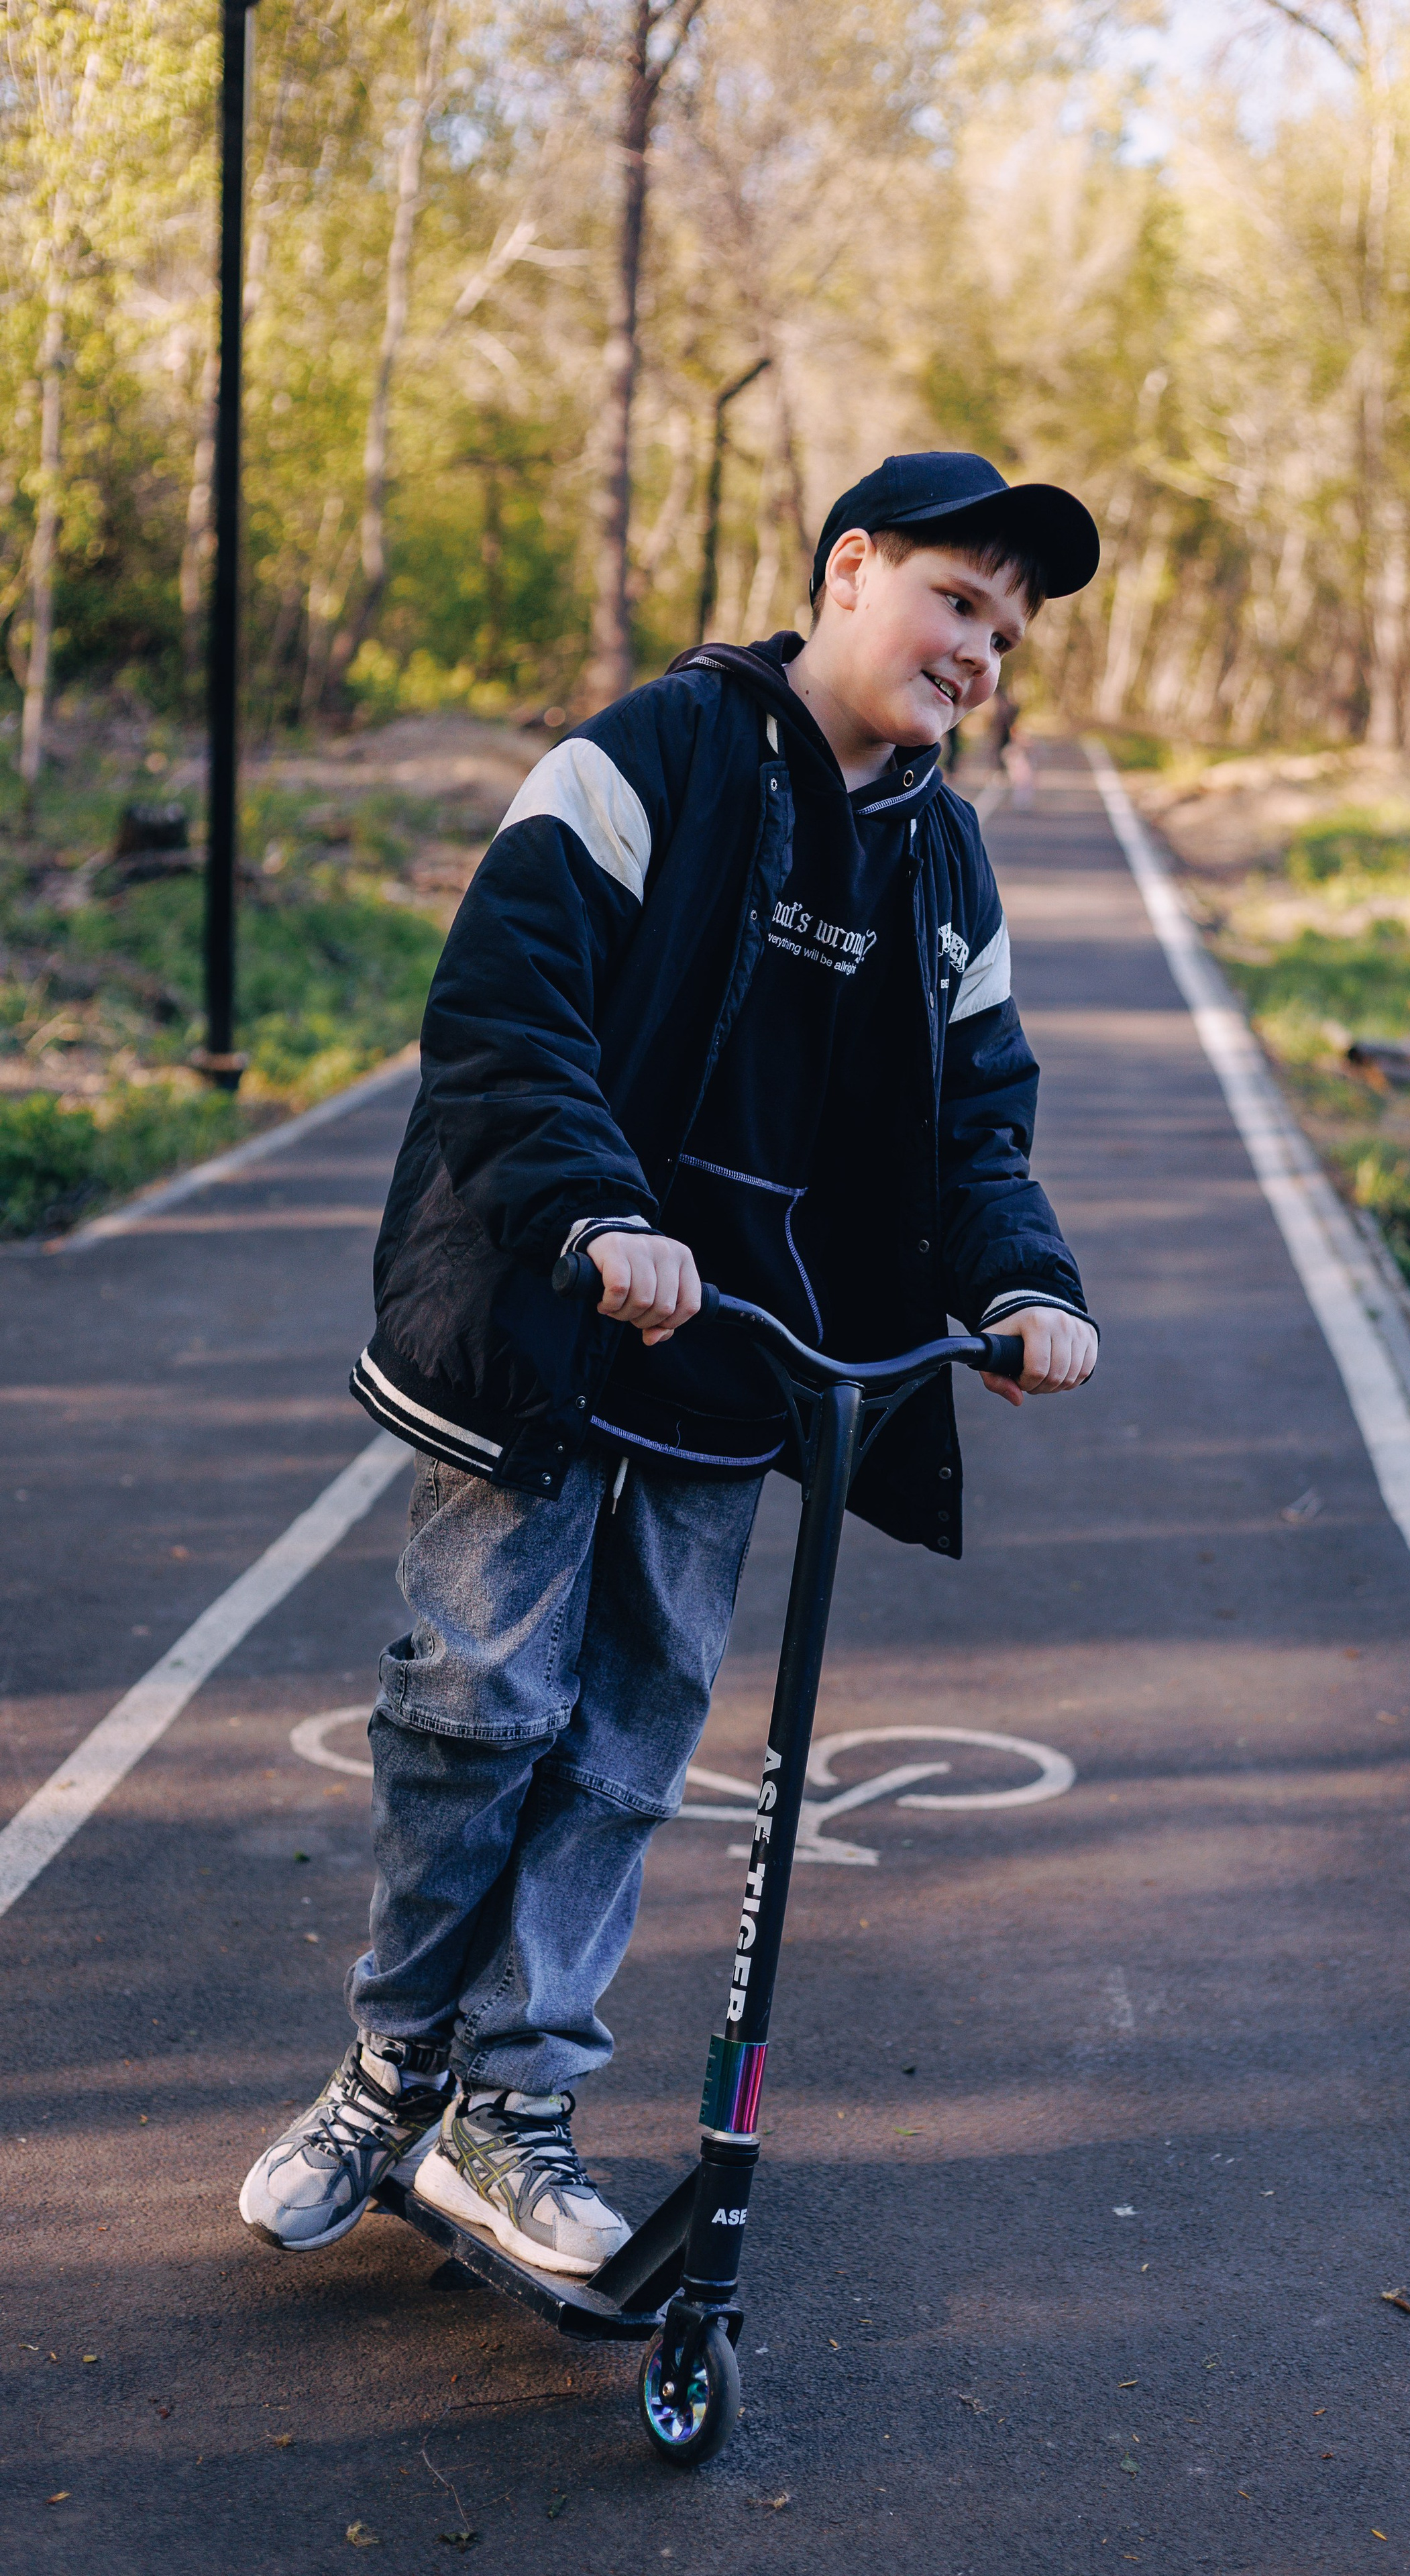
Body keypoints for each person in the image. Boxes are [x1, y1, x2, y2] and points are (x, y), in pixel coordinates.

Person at [239, 450, 1102, 2277]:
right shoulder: (647, 757)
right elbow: (504, 1007)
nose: (983, 653)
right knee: (471, 1707)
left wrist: (1025, 1282)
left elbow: (983, 1125)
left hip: (744, 1358)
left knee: (630, 1748)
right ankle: (393, 2067)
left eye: (1011, 637)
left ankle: (516, 2104)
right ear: (852, 569)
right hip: (559, 1318)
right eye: (962, 601)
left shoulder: (943, 862)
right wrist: (599, 1213)